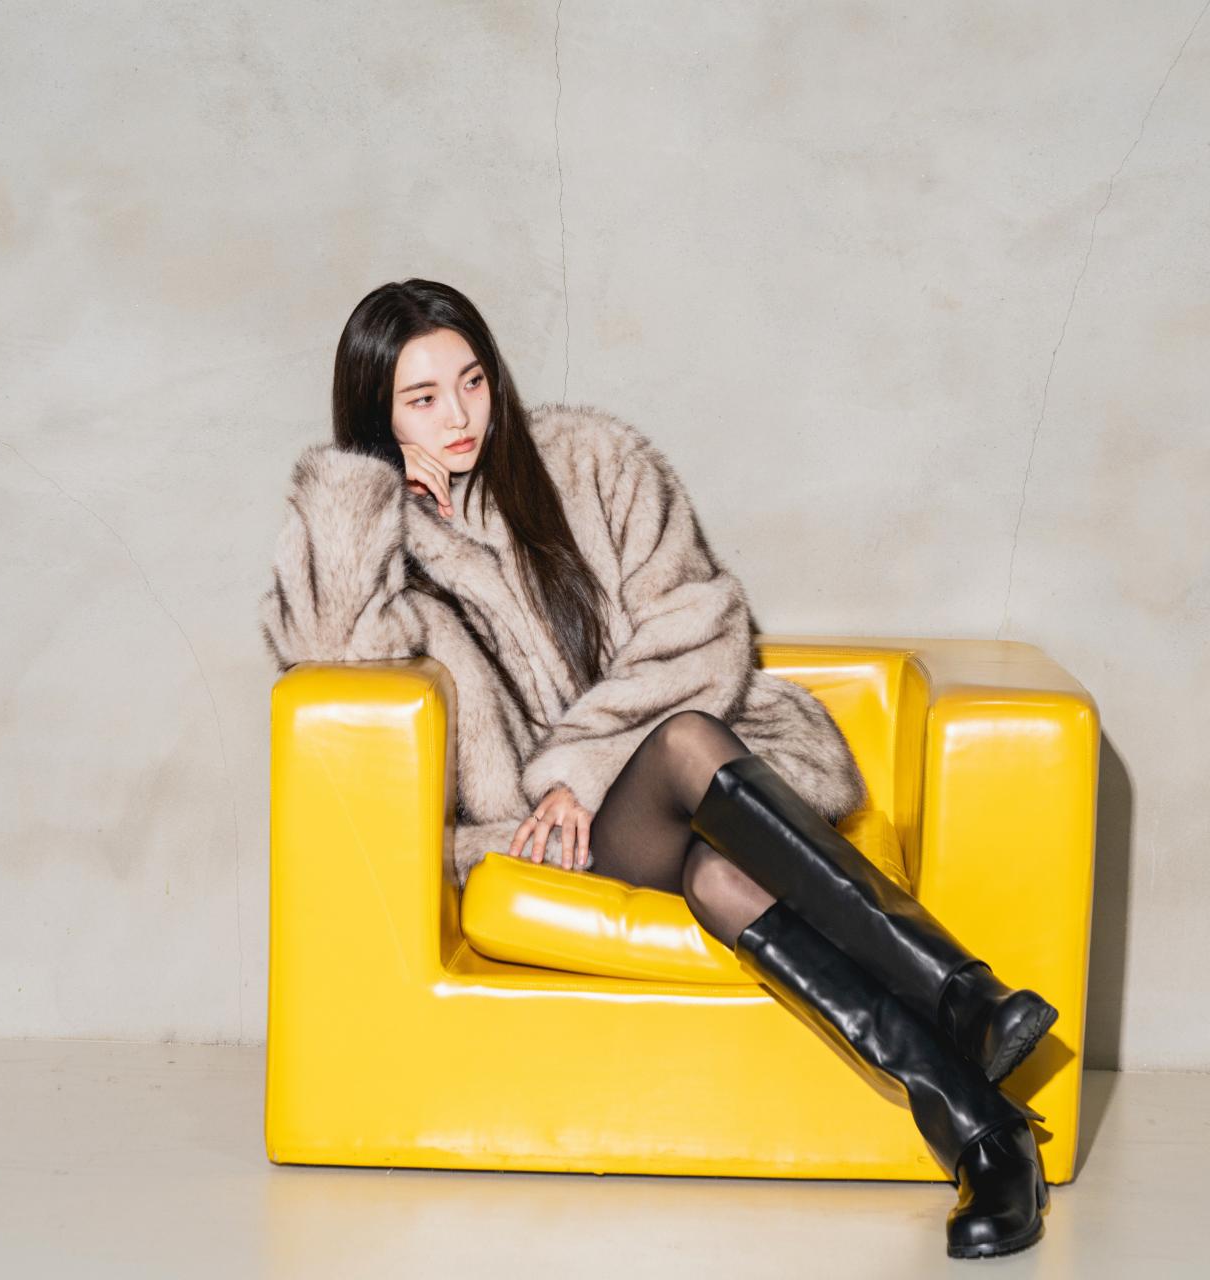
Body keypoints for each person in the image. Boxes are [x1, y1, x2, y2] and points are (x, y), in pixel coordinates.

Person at [258, 277, 1060, 1259]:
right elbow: (331, 660)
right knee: (683, 744)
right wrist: (359, 497)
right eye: (421, 399)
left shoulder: (588, 463)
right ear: (377, 415)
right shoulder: (393, 550)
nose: (459, 416)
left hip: (677, 792)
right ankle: (960, 993)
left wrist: (581, 765)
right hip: (558, 839)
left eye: (471, 381)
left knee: (718, 864)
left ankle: (983, 1133)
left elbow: (699, 615)